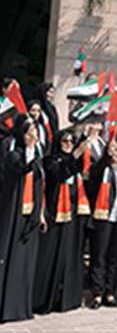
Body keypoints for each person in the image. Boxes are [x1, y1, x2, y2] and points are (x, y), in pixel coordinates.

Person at [33, 130, 89, 314]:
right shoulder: (51, 160)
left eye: (72, 141)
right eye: (65, 141)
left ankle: (68, 299)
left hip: (72, 216)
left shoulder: (76, 162)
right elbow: (59, 174)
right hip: (55, 215)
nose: (68, 144)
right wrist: (75, 155)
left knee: (69, 257)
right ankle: (44, 300)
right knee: (50, 258)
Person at [0, 116, 45, 322]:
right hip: (14, 214)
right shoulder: (14, 154)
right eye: (29, 131)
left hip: (31, 214)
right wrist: (28, 148)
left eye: (34, 130)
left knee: (26, 261)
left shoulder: (36, 155)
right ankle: (7, 307)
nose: (33, 134)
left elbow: (40, 184)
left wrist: (41, 213)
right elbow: (20, 169)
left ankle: (22, 307)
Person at [87, 140, 117, 309]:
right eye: (114, 149)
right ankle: (97, 294)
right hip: (103, 219)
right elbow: (92, 182)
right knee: (99, 256)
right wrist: (107, 154)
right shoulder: (102, 169)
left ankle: (110, 292)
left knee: (114, 258)